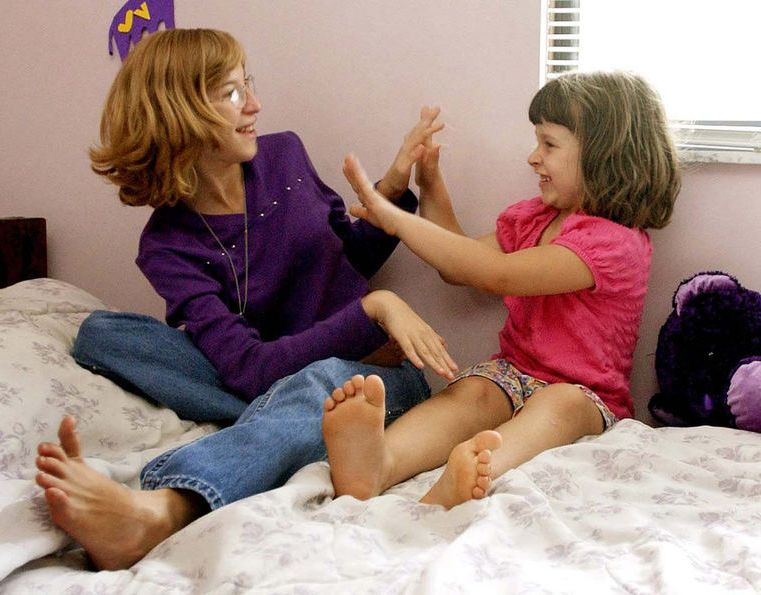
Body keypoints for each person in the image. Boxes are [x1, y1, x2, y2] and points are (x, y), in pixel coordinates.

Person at [33, 28, 455, 570]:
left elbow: (351, 254)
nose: (255, 104)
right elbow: (249, 366)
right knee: (102, 334)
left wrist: (392, 188)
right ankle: (274, 413)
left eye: (247, 85)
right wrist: (371, 311)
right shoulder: (166, 243)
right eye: (233, 93)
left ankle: (162, 510)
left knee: (317, 387)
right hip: (264, 370)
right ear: (180, 112)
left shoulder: (284, 157)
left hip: (367, 378)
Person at [323, 71, 681, 509]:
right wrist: (431, 184)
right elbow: (462, 264)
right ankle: (379, 461)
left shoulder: (615, 243)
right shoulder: (533, 219)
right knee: (470, 394)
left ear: (605, 156)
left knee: (558, 406)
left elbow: (498, 275)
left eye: (549, 145)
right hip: (512, 372)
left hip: (587, 394)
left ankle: (479, 466)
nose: (533, 157)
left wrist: (397, 219)